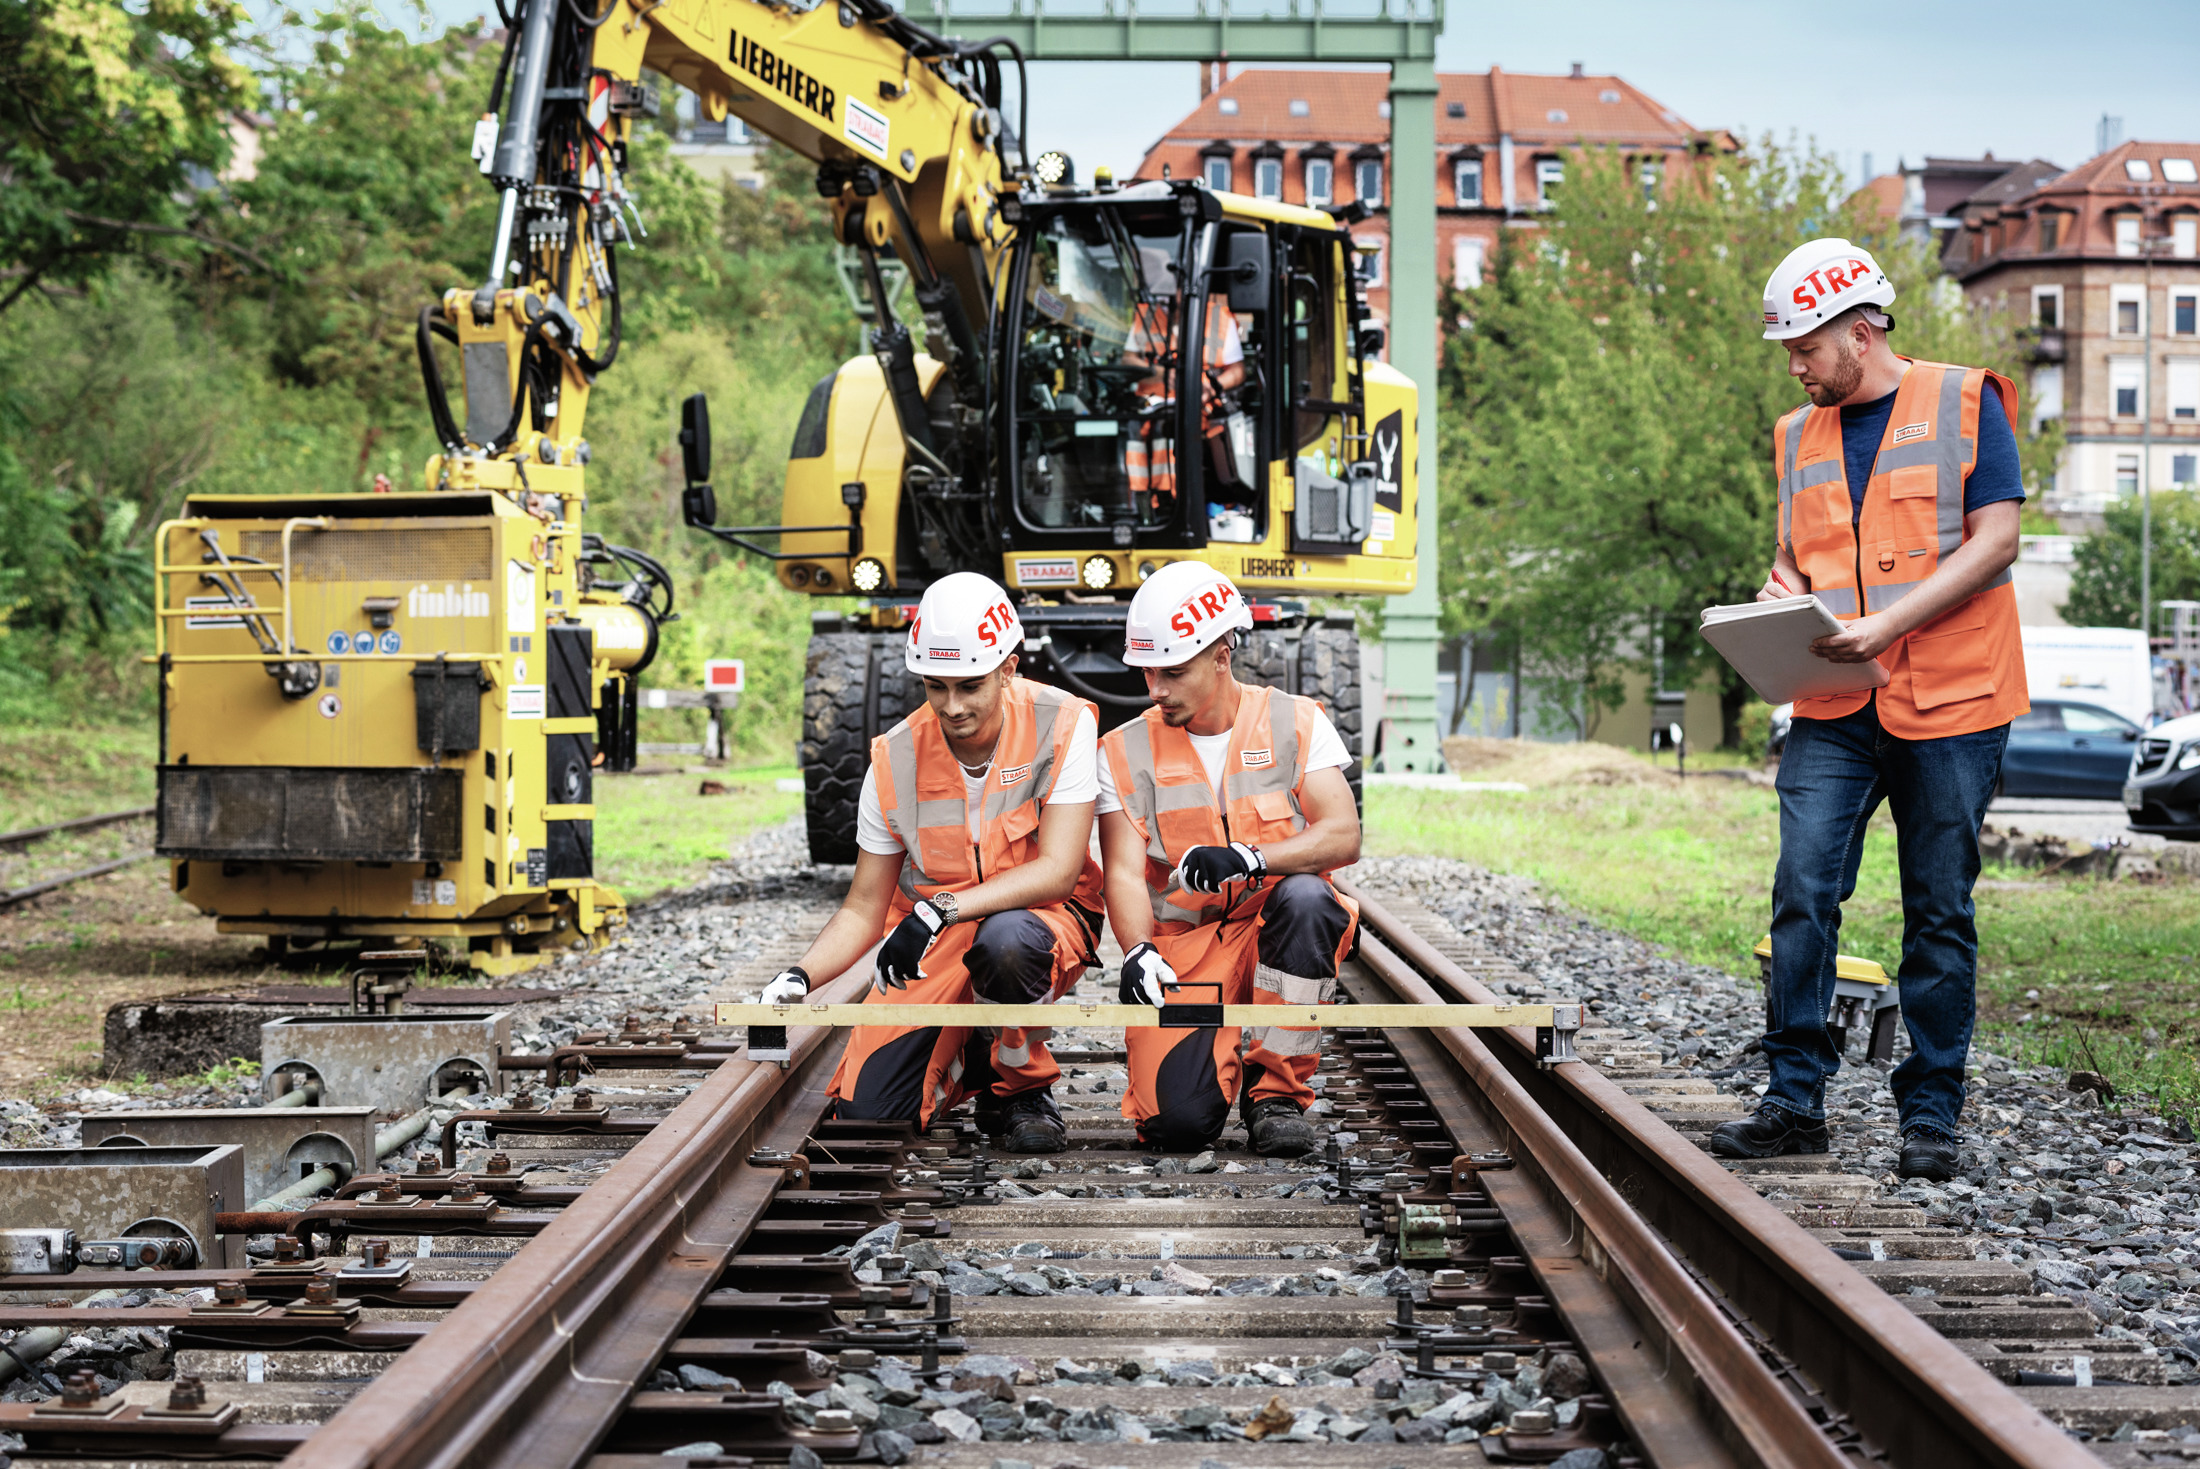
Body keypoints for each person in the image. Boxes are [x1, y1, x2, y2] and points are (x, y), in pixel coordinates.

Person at [1710, 238, 2027, 1183]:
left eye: (1804, 347)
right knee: (1802, 891)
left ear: (1860, 330)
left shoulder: (1968, 399)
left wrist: (1887, 622)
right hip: (1836, 696)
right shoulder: (1795, 433)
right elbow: (1798, 558)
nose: (1795, 366)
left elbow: (1998, 539)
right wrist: (1776, 597)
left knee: (1938, 908)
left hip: (1952, 697)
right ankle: (1793, 1098)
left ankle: (1931, 1113)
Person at [760, 573, 1104, 1153]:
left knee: (1006, 940)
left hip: (1045, 920)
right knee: (870, 1117)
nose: (953, 706)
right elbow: (864, 908)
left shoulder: (1063, 723)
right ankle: (970, 1053)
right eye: (935, 686)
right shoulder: (894, 758)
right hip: (940, 939)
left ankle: (1019, 1088)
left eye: (970, 685)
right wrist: (800, 975)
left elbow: (1059, 871)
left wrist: (937, 910)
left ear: (1008, 669)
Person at [1095, 563, 1361, 1156]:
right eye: (1146, 672)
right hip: (1186, 950)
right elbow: (1121, 871)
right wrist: (1137, 949)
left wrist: (1251, 856)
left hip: (1274, 925)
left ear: (1221, 654)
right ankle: (1204, 1080)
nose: (1155, 689)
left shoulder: (1296, 722)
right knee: (1176, 1128)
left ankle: (1276, 1094)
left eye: (1172, 672)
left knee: (1310, 897)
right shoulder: (1120, 750)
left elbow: (1344, 834)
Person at [1122, 244, 1249, 516]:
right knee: (1144, 430)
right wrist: (1158, 374)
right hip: (1150, 407)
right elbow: (1128, 360)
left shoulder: (1219, 318)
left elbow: (1238, 371)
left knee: (1175, 430)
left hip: (1199, 407)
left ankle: (1181, 502)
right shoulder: (1147, 315)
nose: (1174, 297)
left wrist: (1210, 388)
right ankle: (1146, 502)